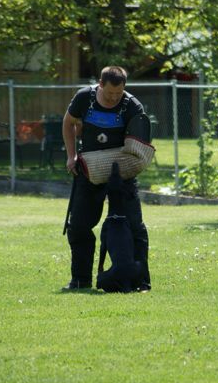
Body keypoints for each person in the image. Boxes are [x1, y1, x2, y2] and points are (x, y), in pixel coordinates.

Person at [61, 66, 151, 291]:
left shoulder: (132, 106)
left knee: (135, 227)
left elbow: (139, 144)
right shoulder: (85, 97)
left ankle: (141, 281)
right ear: (100, 84)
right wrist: (71, 155)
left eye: (118, 93)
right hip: (88, 171)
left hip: (121, 175)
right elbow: (68, 122)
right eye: (110, 93)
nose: (114, 98)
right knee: (79, 226)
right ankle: (80, 279)